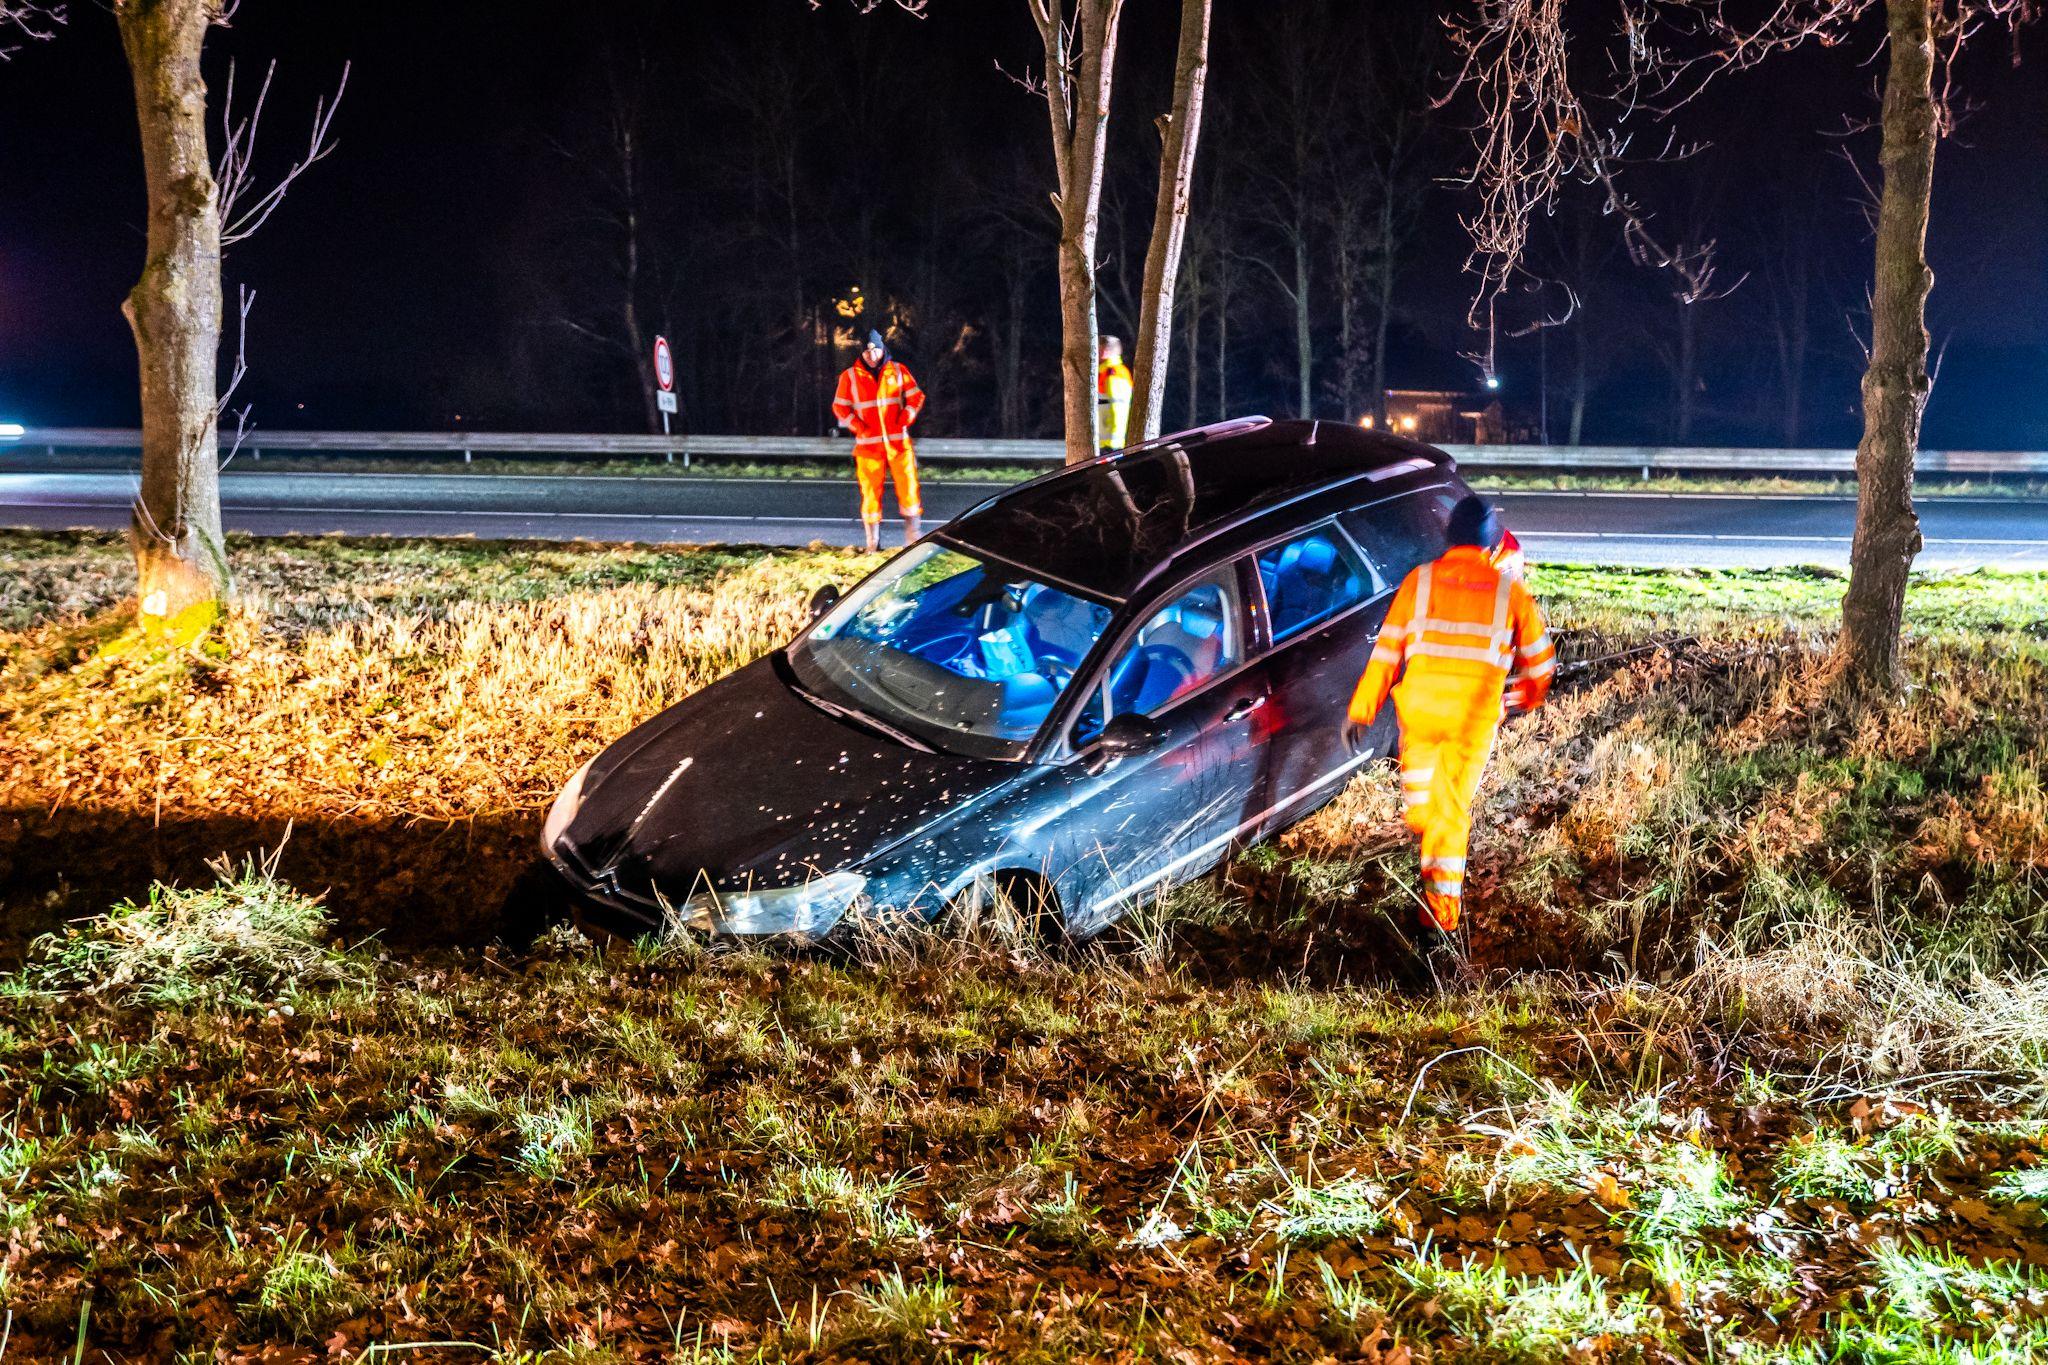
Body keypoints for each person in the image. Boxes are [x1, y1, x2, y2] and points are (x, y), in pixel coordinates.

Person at [1346, 495, 1555, 938]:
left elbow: (1387, 653)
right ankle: (1439, 922)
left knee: (1426, 811)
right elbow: (1540, 665)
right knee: (1446, 814)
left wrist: (1362, 709)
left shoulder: (1418, 582)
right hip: (1470, 724)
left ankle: (1435, 912)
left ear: (1450, 538)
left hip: (1420, 717)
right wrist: (1521, 698)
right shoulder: (1510, 594)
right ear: (1491, 545)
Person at [834, 329, 926, 552]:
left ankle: (913, 539)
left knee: (909, 489)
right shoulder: (850, 376)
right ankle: (872, 544)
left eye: (875, 350)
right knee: (870, 495)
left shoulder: (898, 370)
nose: (872, 355)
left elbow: (916, 396)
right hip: (868, 447)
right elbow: (840, 407)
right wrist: (857, 426)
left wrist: (908, 415)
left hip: (898, 444)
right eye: (867, 352)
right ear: (862, 353)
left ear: (882, 348)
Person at [1097, 335, 1133, 452]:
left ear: (1105, 351)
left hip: (1110, 444)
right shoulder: (1104, 371)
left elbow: (1117, 408)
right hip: (1105, 441)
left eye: (1098, 349)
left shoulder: (1113, 372)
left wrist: (1112, 442)